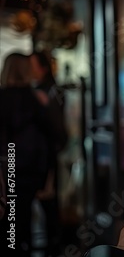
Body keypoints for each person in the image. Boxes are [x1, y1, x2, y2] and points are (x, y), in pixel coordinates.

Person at [0, 53, 52, 256]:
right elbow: (52, 134)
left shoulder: (2, 98)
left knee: (9, 217)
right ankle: (23, 248)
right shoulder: (36, 99)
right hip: (31, 167)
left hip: (7, 165)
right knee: (23, 216)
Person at [30, 50, 68, 256]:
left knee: (49, 204)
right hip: (44, 157)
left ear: (43, 68)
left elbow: (58, 131)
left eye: (33, 65)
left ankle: (55, 247)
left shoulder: (48, 93)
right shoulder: (40, 91)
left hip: (45, 159)